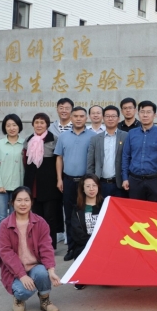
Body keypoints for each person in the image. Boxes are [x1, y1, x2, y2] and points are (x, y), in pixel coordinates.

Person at [0, 186, 61, 311]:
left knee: (42, 273)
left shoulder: (40, 222)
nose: (23, 204)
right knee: (23, 291)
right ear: (12, 202)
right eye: (19, 200)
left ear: (31, 202)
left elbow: (46, 247)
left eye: (26, 200)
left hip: (34, 266)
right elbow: (6, 253)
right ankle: (19, 299)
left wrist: (51, 271)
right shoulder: (4, 225)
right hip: (14, 271)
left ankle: (45, 299)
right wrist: (22, 275)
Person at [54, 106, 96, 261]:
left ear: (86, 118)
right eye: (76, 116)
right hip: (69, 180)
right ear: (71, 118)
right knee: (69, 215)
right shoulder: (63, 136)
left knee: (87, 215)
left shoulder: (93, 136)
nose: (78, 119)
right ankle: (71, 247)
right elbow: (59, 158)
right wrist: (59, 179)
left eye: (81, 116)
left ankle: (87, 247)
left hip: (86, 182)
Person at [23, 113, 63, 249]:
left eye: (42, 122)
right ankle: (37, 245)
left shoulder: (54, 140)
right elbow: (25, 162)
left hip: (49, 185)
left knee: (50, 217)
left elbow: (59, 161)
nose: (39, 125)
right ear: (33, 124)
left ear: (47, 125)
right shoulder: (28, 140)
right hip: (33, 185)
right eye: (36, 122)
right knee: (35, 218)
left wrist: (59, 180)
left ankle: (49, 246)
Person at [121, 100, 157, 203]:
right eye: (142, 112)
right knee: (135, 210)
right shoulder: (131, 133)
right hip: (135, 180)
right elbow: (126, 156)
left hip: (156, 181)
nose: (145, 115)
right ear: (138, 114)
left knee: (155, 210)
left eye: (148, 112)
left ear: (154, 115)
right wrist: (125, 178)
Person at [0, 113, 24, 246]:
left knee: (16, 219)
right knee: (1, 218)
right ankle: (1, 248)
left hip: (18, 189)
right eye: (8, 125)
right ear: (4, 128)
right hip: (1, 188)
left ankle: (15, 246)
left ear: (19, 126)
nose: (12, 128)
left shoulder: (25, 144)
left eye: (14, 125)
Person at [69, 174, 103, 290]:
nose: (91, 189)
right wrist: (92, 243)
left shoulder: (105, 206)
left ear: (98, 187)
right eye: (88, 186)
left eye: (94, 185)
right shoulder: (77, 209)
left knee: (108, 283)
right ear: (82, 189)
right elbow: (76, 232)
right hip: (85, 245)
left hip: (103, 245)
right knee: (79, 283)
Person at [86, 105, 128, 199]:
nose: (110, 119)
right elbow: (90, 163)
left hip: (120, 184)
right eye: (107, 116)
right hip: (101, 183)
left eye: (113, 116)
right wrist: (91, 182)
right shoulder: (95, 139)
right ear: (103, 118)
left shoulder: (126, 136)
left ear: (118, 119)